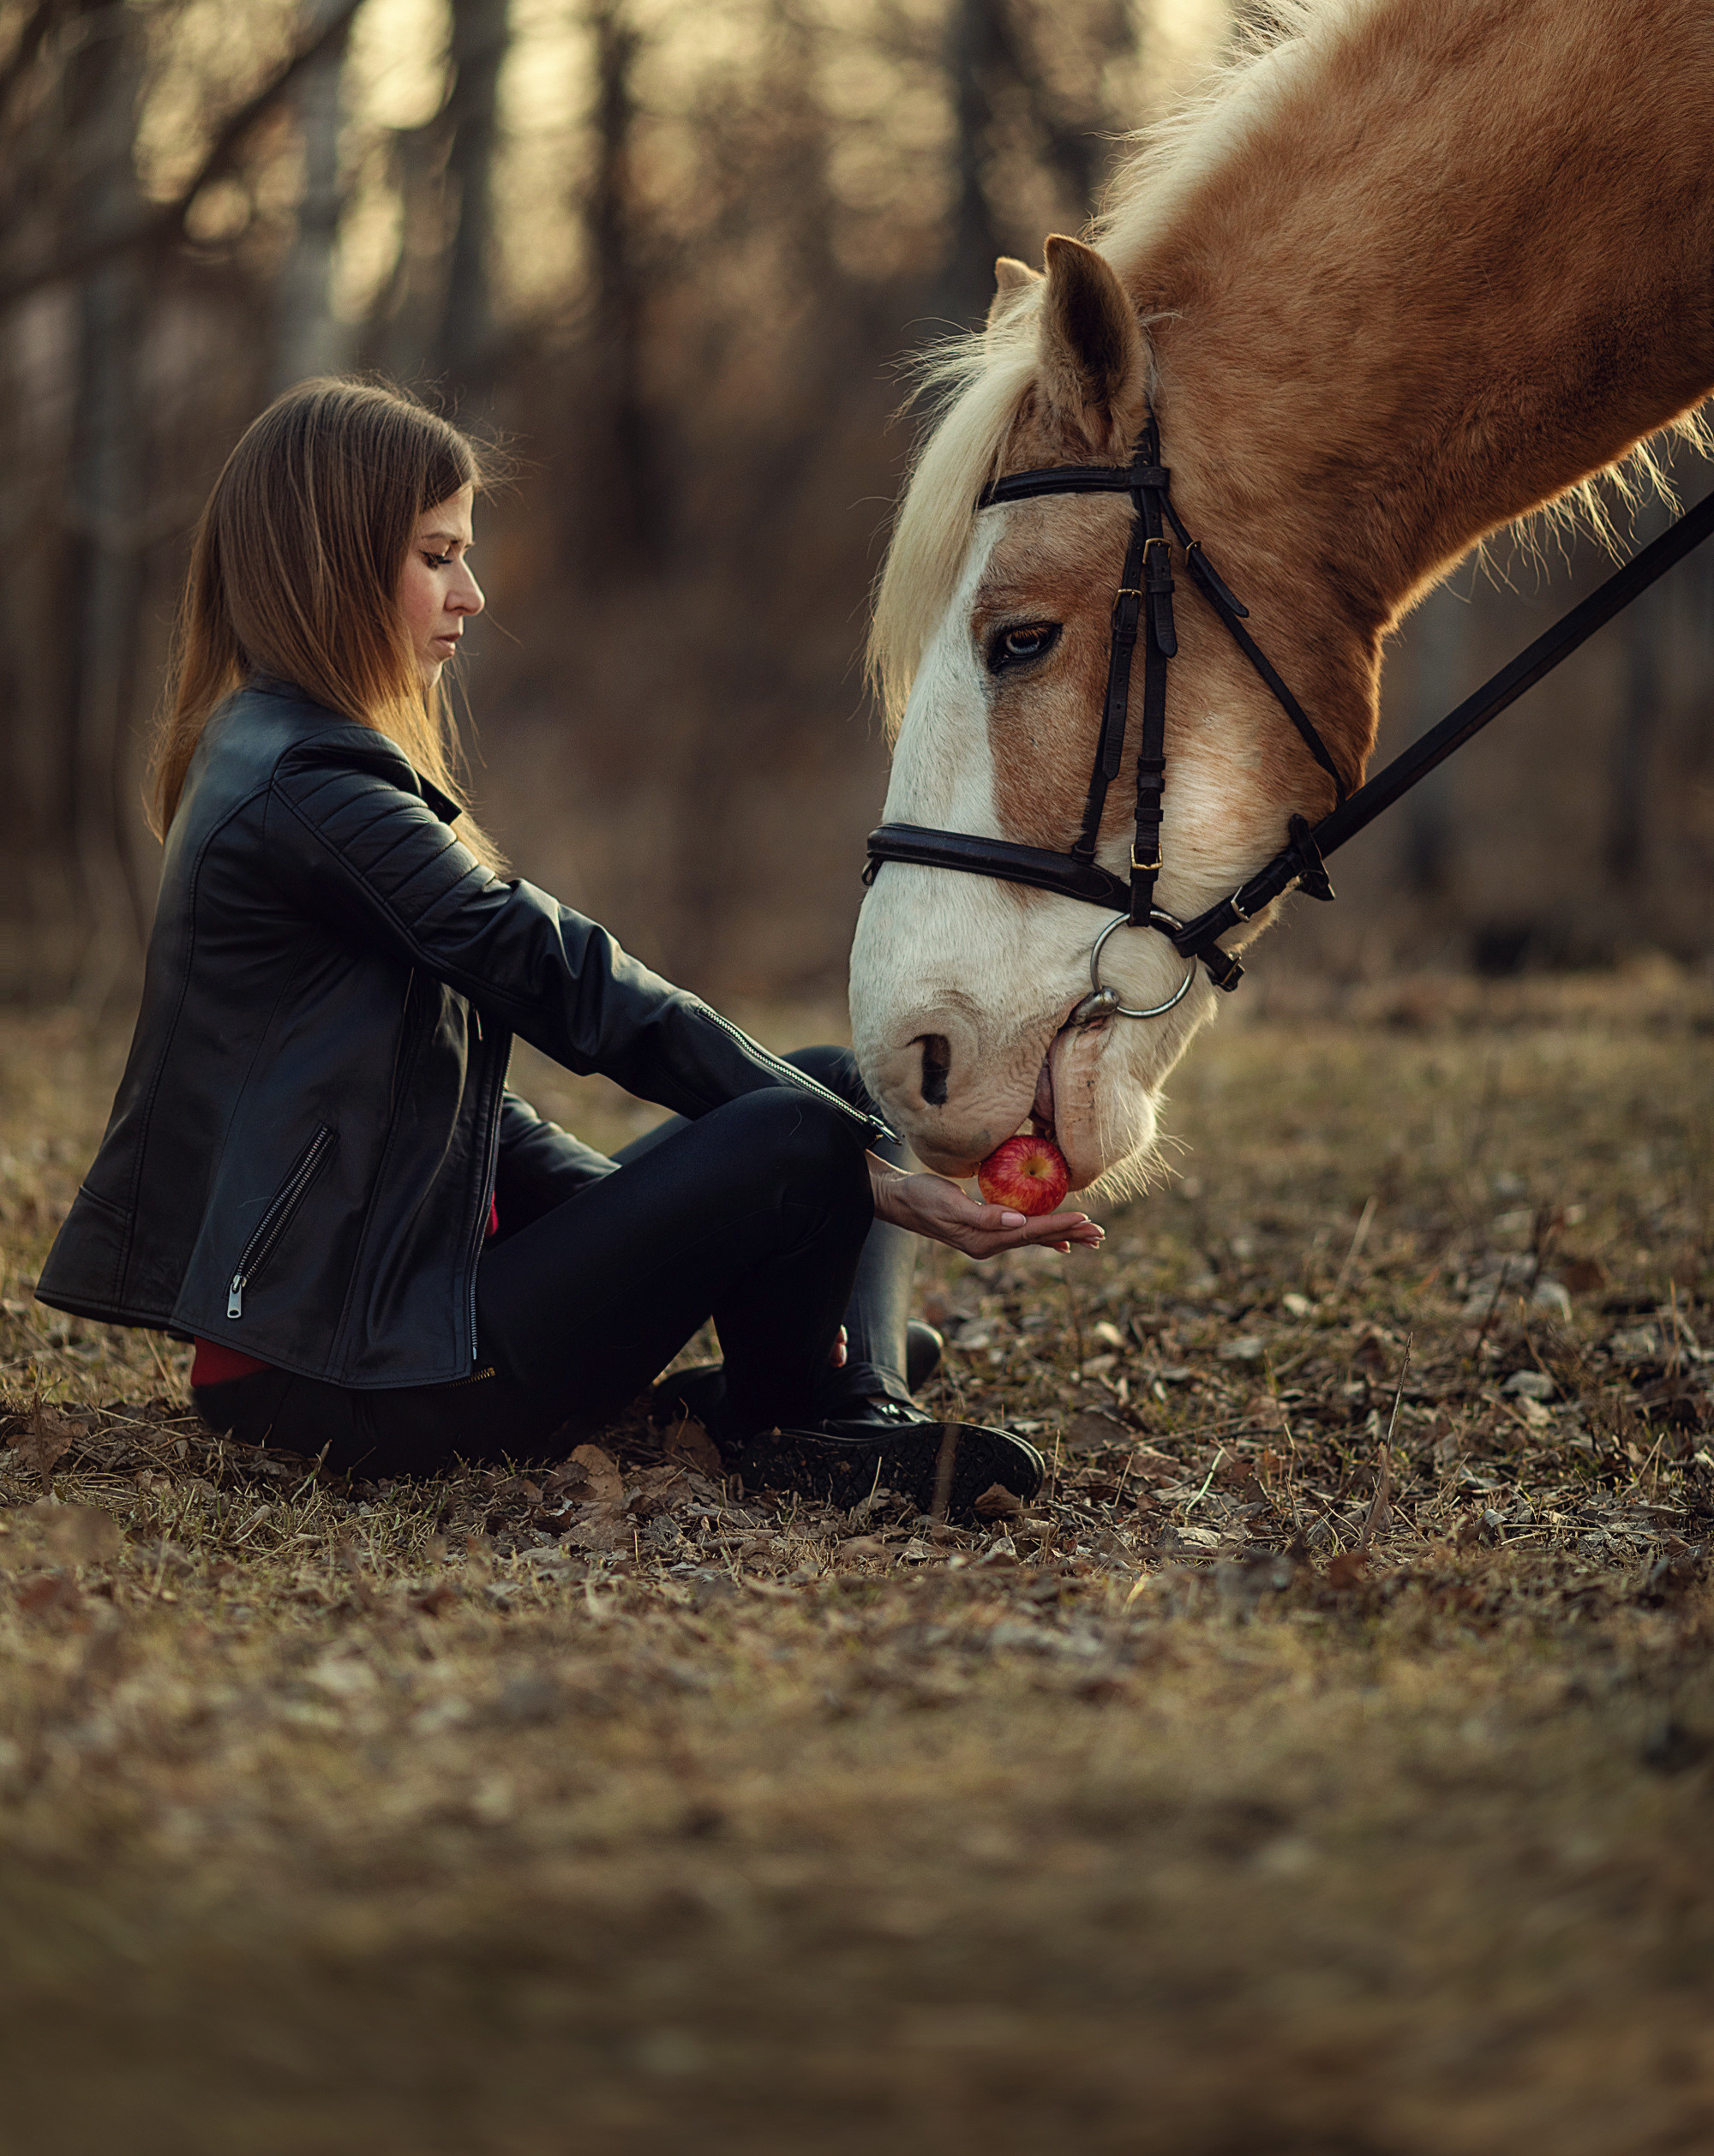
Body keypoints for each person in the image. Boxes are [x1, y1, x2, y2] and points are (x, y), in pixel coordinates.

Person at [38, 380, 1102, 1517]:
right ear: (334, 563)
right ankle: (817, 1422)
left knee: (827, 1089)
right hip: (354, 1378)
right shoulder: (313, 794)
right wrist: (825, 1189)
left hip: (391, 1306)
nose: (474, 595)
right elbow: (562, 974)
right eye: (438, 555)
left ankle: (833, 1392)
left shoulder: (274, 754)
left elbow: (449, 1111)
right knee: (803, 1128)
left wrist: (684, 1249)